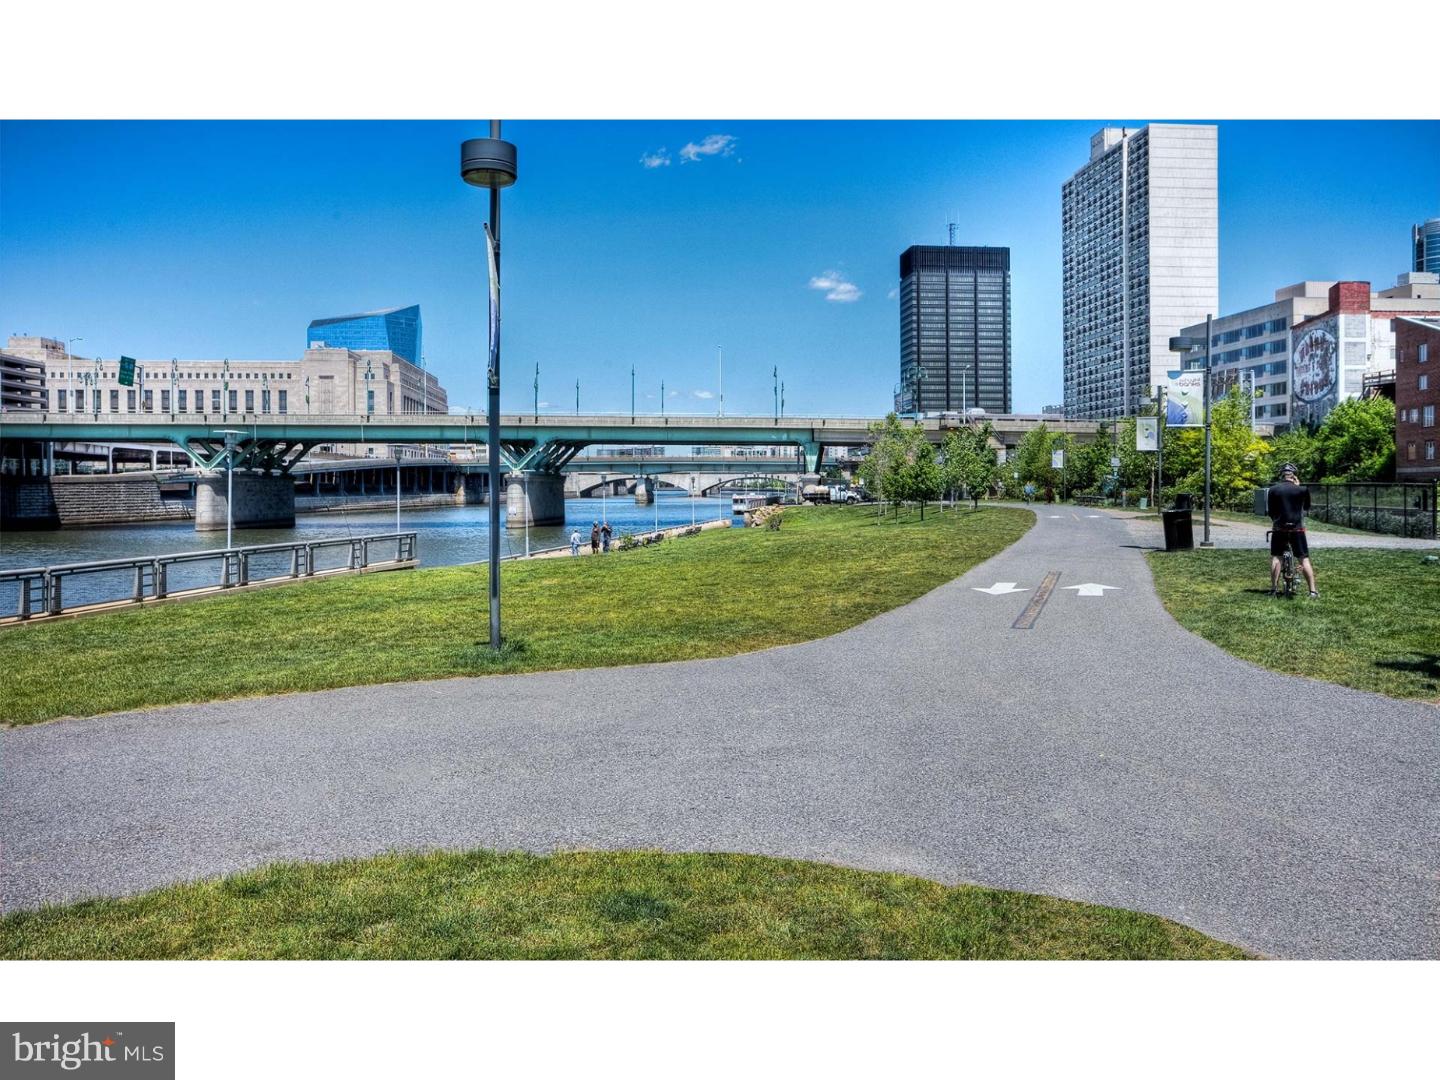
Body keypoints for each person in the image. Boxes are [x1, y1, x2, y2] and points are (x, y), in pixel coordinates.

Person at [1267, 462, 1318, 598]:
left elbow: (1271, 511)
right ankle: (1312, 591)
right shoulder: (1302, 490)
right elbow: (1306, 507)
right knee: (1303, 559)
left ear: (1281, 475)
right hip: (1297, 529)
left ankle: (1273, 589)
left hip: (1279, 528)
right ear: (1294, 475)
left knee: (1276, 557)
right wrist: (1298, 487)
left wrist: (1277, 521)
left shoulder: (1273, 490)